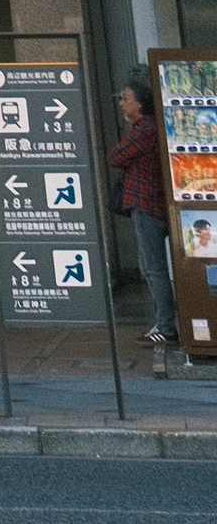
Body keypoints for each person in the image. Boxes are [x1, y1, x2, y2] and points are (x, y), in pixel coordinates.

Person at [110, 74, 178, 347]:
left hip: (147, 205)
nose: (121, 104)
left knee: (154, 269)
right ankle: (164, 322)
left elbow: (115, 156)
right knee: (152, 268)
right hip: (156, 204)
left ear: (140, 104)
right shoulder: (151, 127)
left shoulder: (144, 129)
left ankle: (166, 327)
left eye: (125, 99)